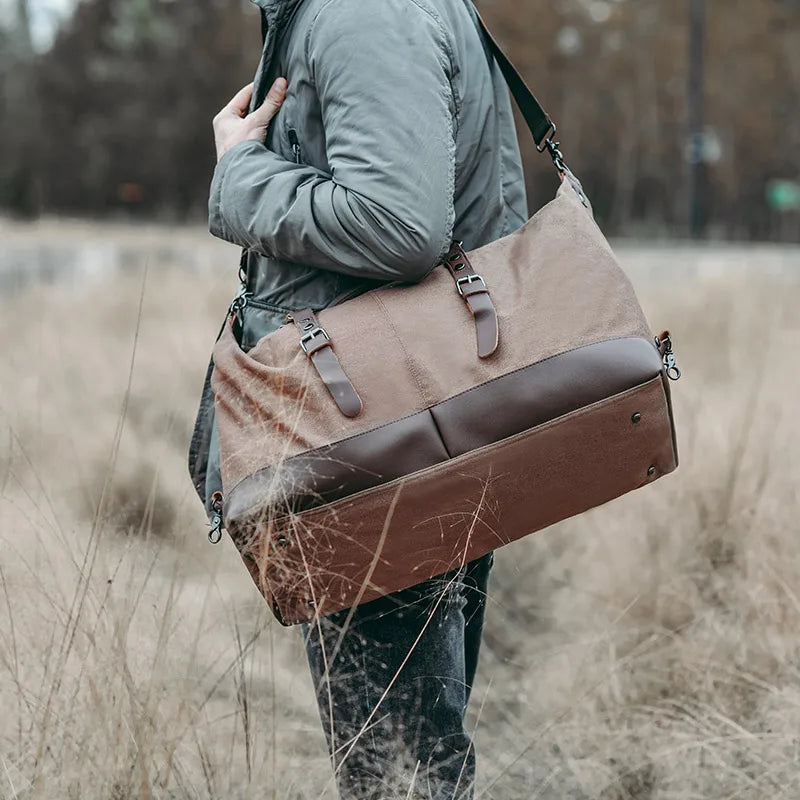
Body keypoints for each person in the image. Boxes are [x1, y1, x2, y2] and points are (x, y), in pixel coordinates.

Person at [188, 0, 527, 796]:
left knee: (398, 766)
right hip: (405, 410)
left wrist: (240, 172)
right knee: (408, 750)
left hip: (382, 432)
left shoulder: (360, 11)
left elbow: (399, 223)